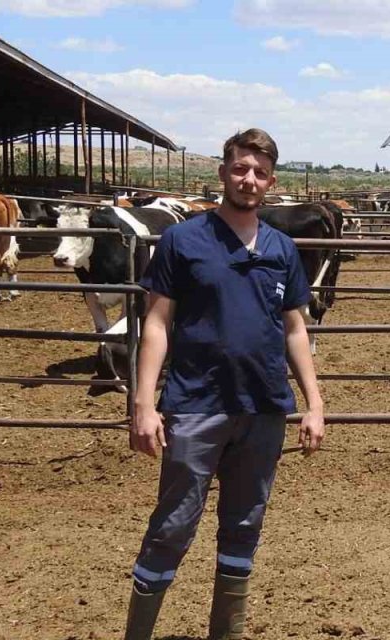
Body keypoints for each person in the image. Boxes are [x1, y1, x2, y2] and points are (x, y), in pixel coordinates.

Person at [122, 128, 325, 640]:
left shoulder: (281, 248)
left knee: (244, 524)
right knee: (173, 524)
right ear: (223, 174)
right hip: (195, 405)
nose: (248, 180)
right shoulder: (182, 240)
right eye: (240, 169)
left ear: (270, 181)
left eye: (259, 172)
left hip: (263, 408)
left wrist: (314, 403)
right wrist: (144, 405)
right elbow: (158, 324)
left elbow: (295, 328)